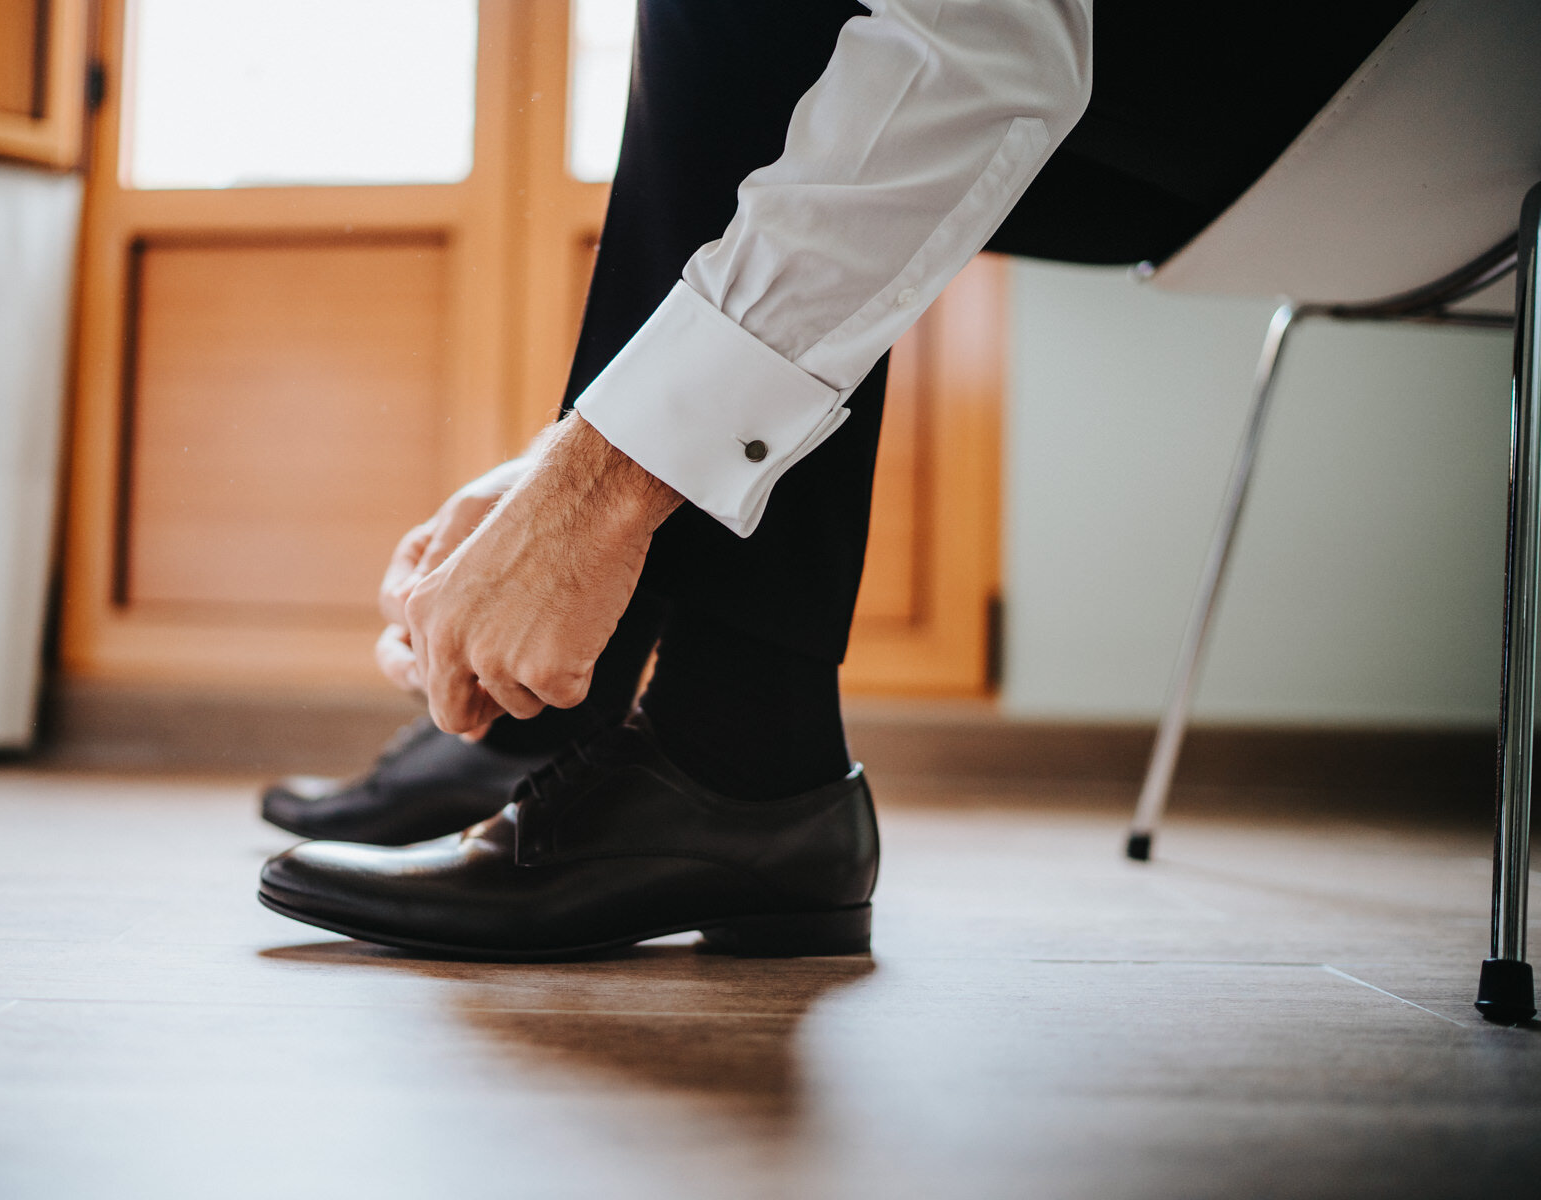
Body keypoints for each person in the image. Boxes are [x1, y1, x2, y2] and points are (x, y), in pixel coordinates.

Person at [256, 0, 1417, 959]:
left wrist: (591, 492)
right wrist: (559, 490)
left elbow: (986, 46)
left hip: (1416, 86)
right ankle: (707, 750)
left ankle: (735, 752)